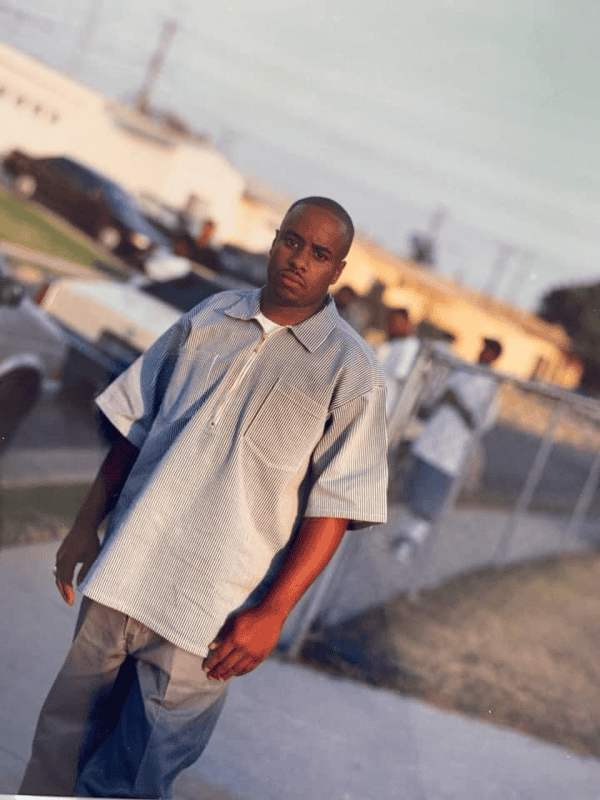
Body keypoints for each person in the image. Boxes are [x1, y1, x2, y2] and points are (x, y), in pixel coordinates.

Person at [19, 197, 388, 799]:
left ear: (337, 270)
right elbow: (136, 427)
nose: (300, 259)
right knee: (58, 749)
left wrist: (273, 614)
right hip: (125, 570)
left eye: (320, 253)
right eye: (292, 241)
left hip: (211, 615)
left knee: (134, 778)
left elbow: (337, 505)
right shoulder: (210, 315)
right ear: (275, 240)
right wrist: (86, 526)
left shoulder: (350, 370)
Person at [391, 337, 502, 561]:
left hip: (449, 453)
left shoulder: (491, 388)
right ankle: (401, 536)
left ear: (495, 357)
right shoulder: (462, 370)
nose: (482, 352)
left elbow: (480, 424)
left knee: (427, 502)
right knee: (413, 492)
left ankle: (409, 544)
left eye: (488, 350)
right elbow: (435, 394)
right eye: (483, 348)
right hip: (430, 440)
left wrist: (457, 403)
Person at [374, 308, 421, 417]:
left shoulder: (411, 345)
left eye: (396, 322)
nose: (393, 326)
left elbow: (400, 375)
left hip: (385, 407)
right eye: (391, 322)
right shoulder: (395, 343)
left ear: (406, 323)